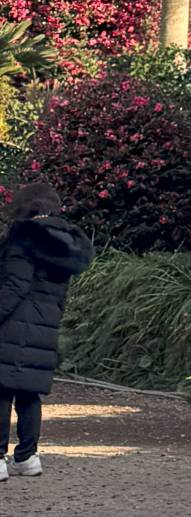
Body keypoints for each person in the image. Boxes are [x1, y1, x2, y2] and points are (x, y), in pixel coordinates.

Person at [0, 178, 94, 480]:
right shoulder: (65, 244)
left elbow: (14, 286)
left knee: (1, 391)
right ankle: (27, 457)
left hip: (12, 325)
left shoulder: (24, 238)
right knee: (29, 394)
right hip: (44, 327)